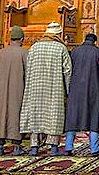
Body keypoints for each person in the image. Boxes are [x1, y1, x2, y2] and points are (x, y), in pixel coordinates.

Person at [20, 22, 72, 156]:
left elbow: (28, 69)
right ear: (58, 34)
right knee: (54, 115)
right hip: (54, 88)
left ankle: (34, 147)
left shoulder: (34, 48)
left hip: (35, 88)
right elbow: (67, 71)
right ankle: (53, 147)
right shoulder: (60, 48)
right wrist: (68, 90)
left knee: (35, 115)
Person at [64, 34, 99, 156]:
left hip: (75, 88)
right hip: (93, 88)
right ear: (94, 42)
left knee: (72, 117)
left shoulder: (75, 51)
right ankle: (94, 149)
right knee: (93, 118)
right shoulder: (98, 52)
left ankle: (68, 147)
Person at [0, 26, 28, 156]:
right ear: (21, 39)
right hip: (18, 88)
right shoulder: (23, 53)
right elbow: (29, 73)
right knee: (16, 114)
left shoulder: (1, 53)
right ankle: (17, 145)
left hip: (1, 89)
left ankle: (0, 145)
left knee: (1, 113)